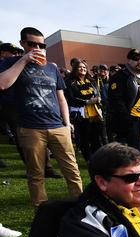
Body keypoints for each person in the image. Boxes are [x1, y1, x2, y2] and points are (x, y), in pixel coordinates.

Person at [0, 27, 83, 207]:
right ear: (23, 43)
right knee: (36, 174)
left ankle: (81, 207)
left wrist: (67, 123)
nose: (37, 48)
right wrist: (23, 60)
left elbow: (61, 97)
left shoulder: (52, 67)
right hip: (30, 127)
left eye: (41, 44)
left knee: (72, 170)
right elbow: (3, 84)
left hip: (57, 126)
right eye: (32, 44)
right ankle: (41, 210)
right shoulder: (10, 62)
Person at [66, 59, 104, 161]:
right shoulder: (70, 81)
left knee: (96, 138)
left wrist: (98, 99)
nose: (82, 69)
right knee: (85, 139)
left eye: (84, 67)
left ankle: (98, 159)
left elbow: (97, 93)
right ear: (75, 69)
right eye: (80, 67)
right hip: (81, 115)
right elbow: (70, 98)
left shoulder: (91, 81)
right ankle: (89, 159)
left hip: (95, 113)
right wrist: (86, 102)